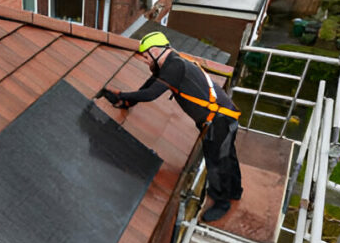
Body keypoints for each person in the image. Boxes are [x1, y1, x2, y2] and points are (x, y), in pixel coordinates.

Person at [101, 31, 243, 222]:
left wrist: (121, 95)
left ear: (156, 51)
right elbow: (148, 86)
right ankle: (235, 191)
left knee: (218, 160)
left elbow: (151, 94)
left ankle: (222, 201)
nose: (144, 60)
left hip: (219, 120)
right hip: (223, 116)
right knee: (228, 156)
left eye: (145, 56)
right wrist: (127, 102)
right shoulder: (171, 63)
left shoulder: (174, 67)